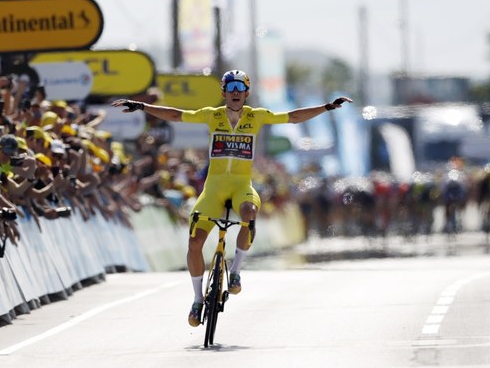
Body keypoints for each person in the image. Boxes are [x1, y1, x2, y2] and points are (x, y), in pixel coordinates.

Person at [111, 69, 352, 327]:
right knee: (194, 242)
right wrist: (142, 106)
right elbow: (175, 115)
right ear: (224, 93)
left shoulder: (256, 116)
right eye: (231, 89)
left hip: (241, 187)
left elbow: (293, 117)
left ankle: (235, 271)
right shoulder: (212, 115)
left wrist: (326, 107)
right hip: (213, 189)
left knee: (249, 212)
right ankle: (196, 299)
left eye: (240, 89)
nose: (235, 94)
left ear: (246, 93)